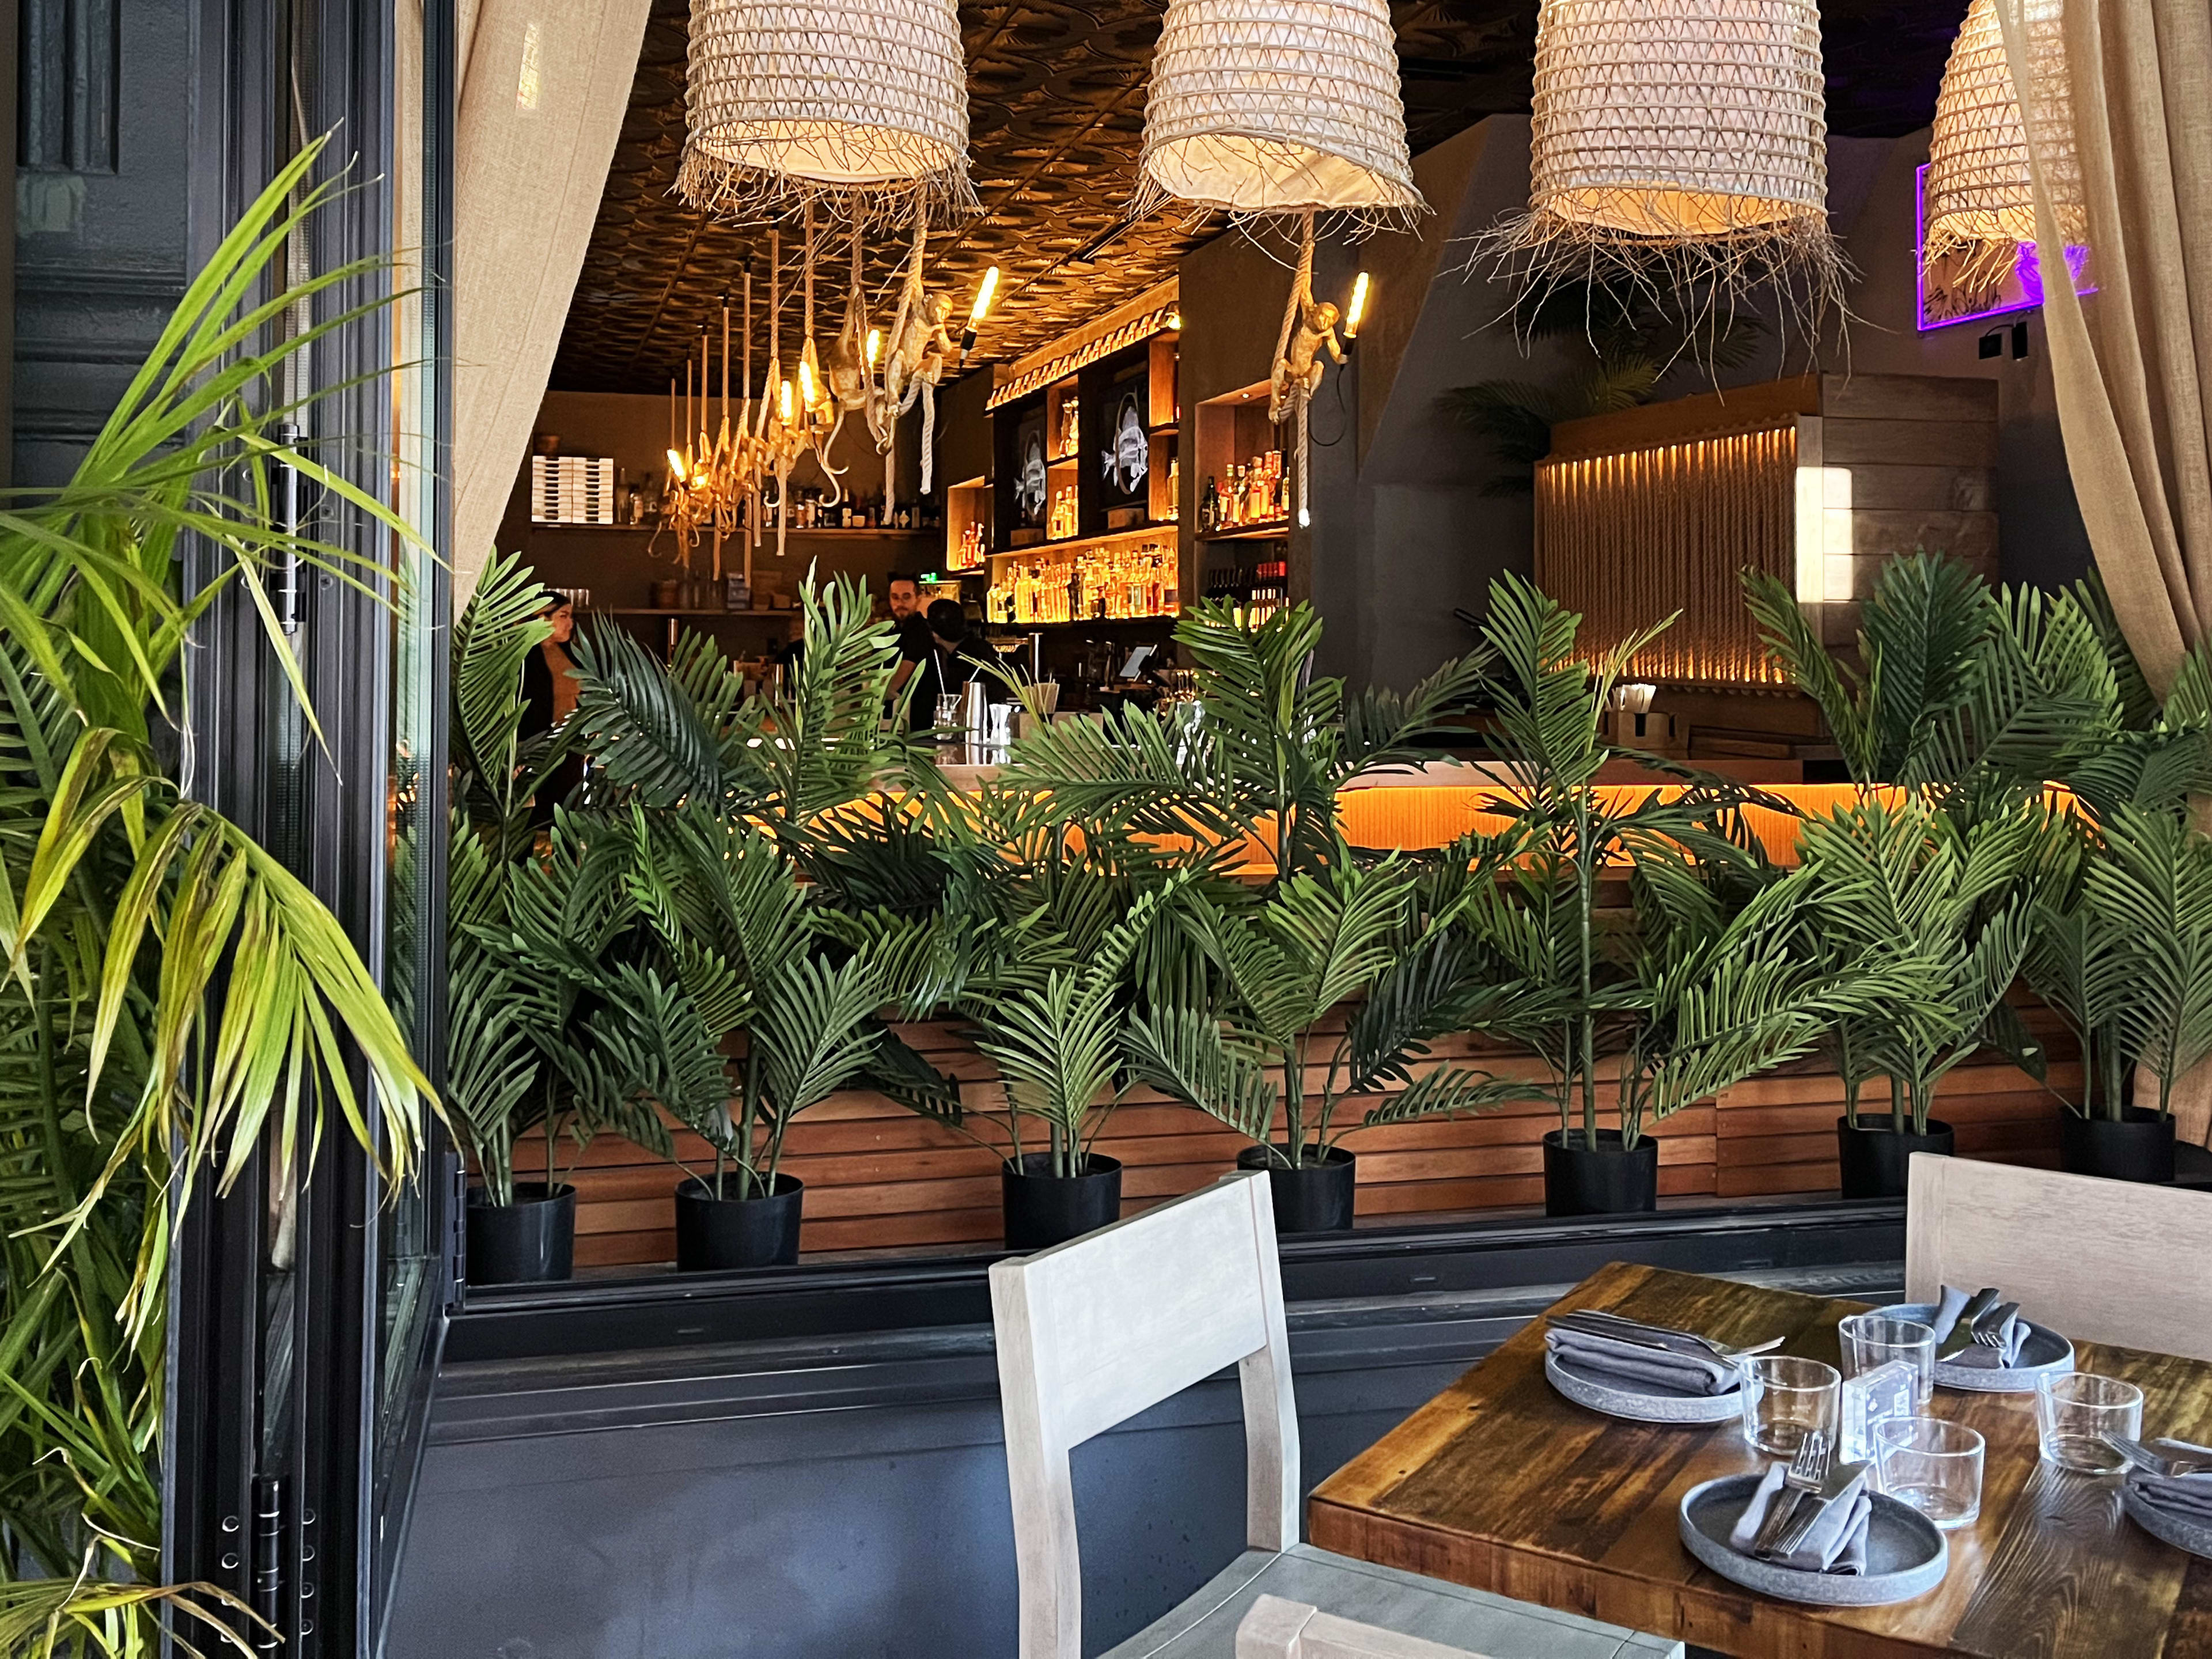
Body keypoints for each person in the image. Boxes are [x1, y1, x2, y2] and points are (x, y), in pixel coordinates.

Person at [520, 592, 585, 823]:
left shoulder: (572, 654)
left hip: (570, 748)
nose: (571, 623)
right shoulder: (523, 656)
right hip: (535, 749)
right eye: (563, 615)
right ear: (542, 618)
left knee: (567, 819)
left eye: (571, 616)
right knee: (528, 822)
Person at [911, 598, 1003, 731]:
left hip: (971, 731)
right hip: (992, 729)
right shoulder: (983, 650)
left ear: (934, 633)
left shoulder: (949, 662)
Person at [884, 573, 934, 718]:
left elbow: (908, 665)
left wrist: (882, 695)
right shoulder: (894, 629)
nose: (900, 603)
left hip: (915, 712)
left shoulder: (919, 630)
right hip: (899, 710)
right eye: (895, 597)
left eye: (906, 597)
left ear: (918, 599)